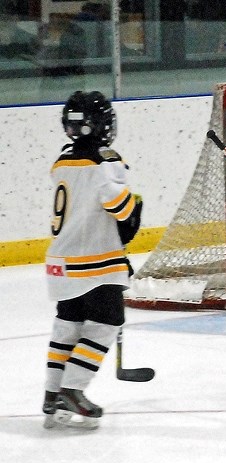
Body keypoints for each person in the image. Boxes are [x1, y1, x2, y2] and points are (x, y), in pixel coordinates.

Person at [42, 90, 143, 429]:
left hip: (60, 261)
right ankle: (72, 389)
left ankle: (51, 392)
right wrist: (135, 208)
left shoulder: (63, 158)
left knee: (68, 326)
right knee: (107, 323)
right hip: (94, 263)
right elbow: (120, 207)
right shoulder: (103, 161)